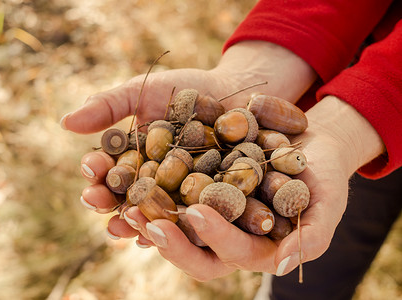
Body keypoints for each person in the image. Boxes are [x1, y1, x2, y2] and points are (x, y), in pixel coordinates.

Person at [60, 0, 402, 299]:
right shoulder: (211, 148)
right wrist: (257, 66)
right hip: (355, 105)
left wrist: (372, 108)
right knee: (321, 262)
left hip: (370, 113)